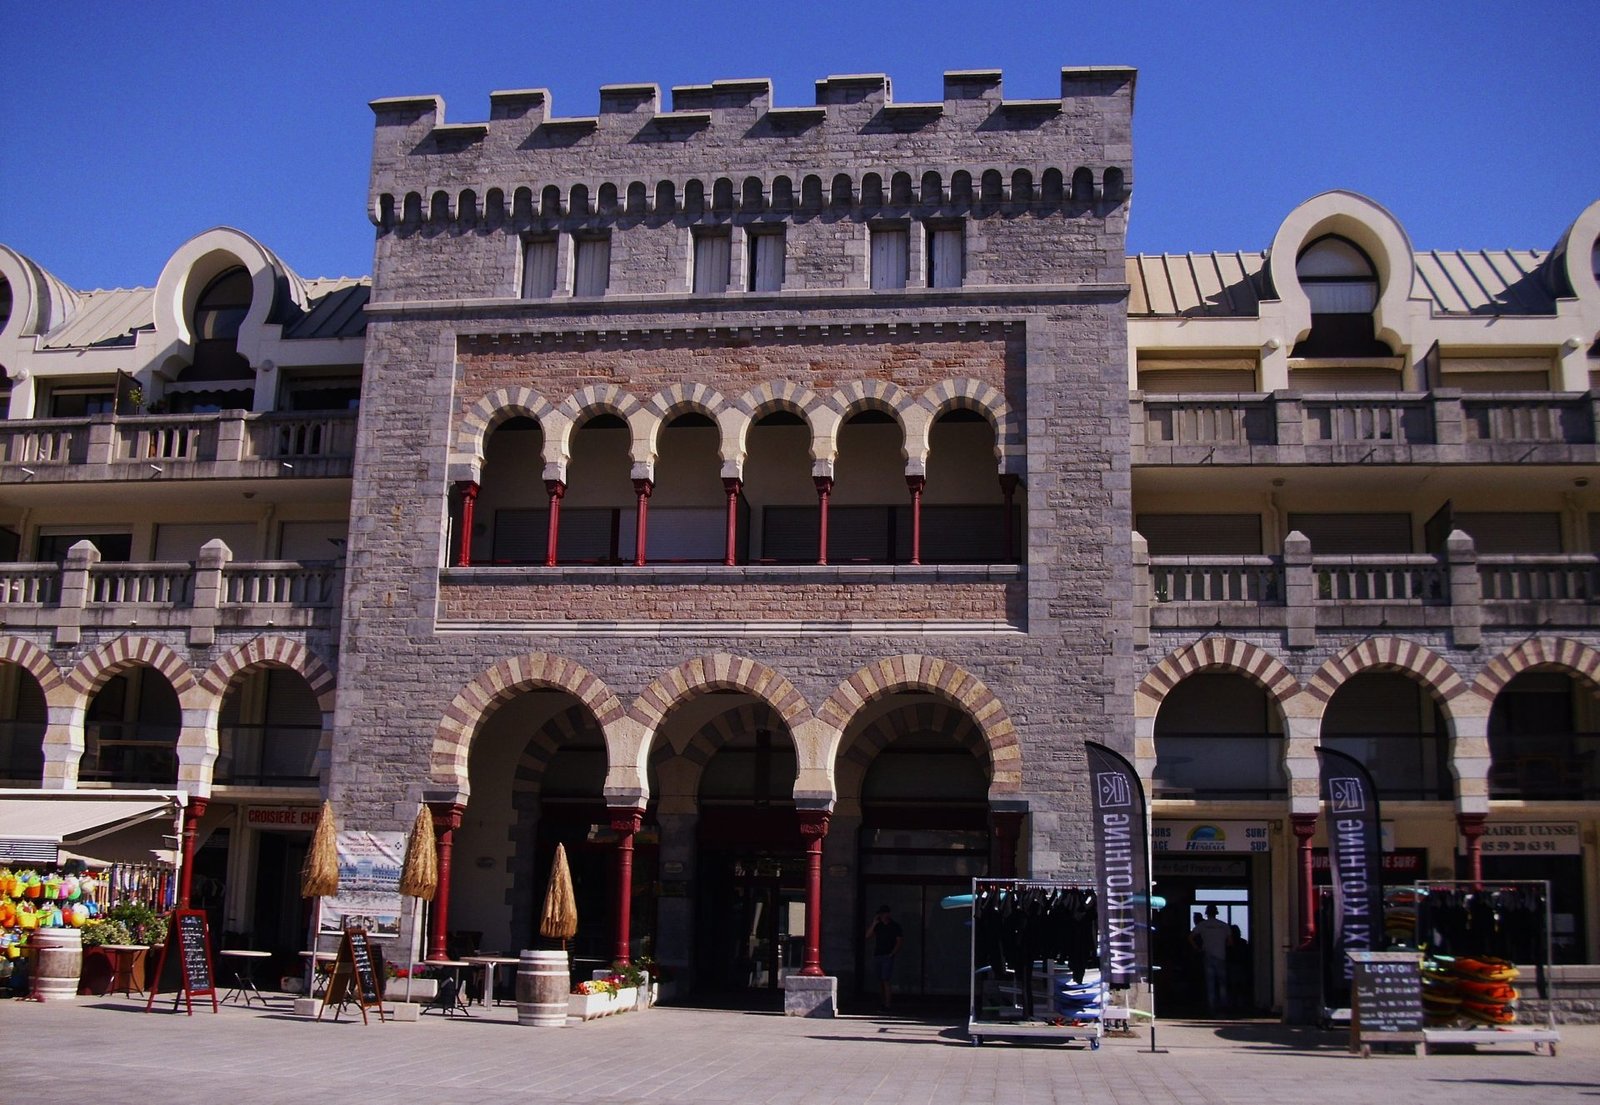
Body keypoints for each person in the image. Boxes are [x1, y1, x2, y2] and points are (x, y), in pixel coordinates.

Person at [1189, 904, 1233, 1015]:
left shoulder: (1203, 925)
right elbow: (1230, 942)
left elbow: (1190, 937)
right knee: (1222, 983)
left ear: (1206, 913)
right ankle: (1223, 1006)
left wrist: (1197, 948)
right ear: (1216, 913)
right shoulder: (1223, 925)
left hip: (1208, 955)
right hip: (1221, 956)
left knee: (1210, 984)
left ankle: (1212, 1007)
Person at [865, 904, 903, 1011]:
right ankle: (881, 1002)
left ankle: (887, 1004)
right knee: (880, 980)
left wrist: (892, 953)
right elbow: (867, 936)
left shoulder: (894, 926)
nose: (883, 916)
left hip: (887, 955)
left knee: (885, 979)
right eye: (881, 914)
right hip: (878, 954)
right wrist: (874, 923)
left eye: (884, 914)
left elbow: (899, 941)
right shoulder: (878, 926)